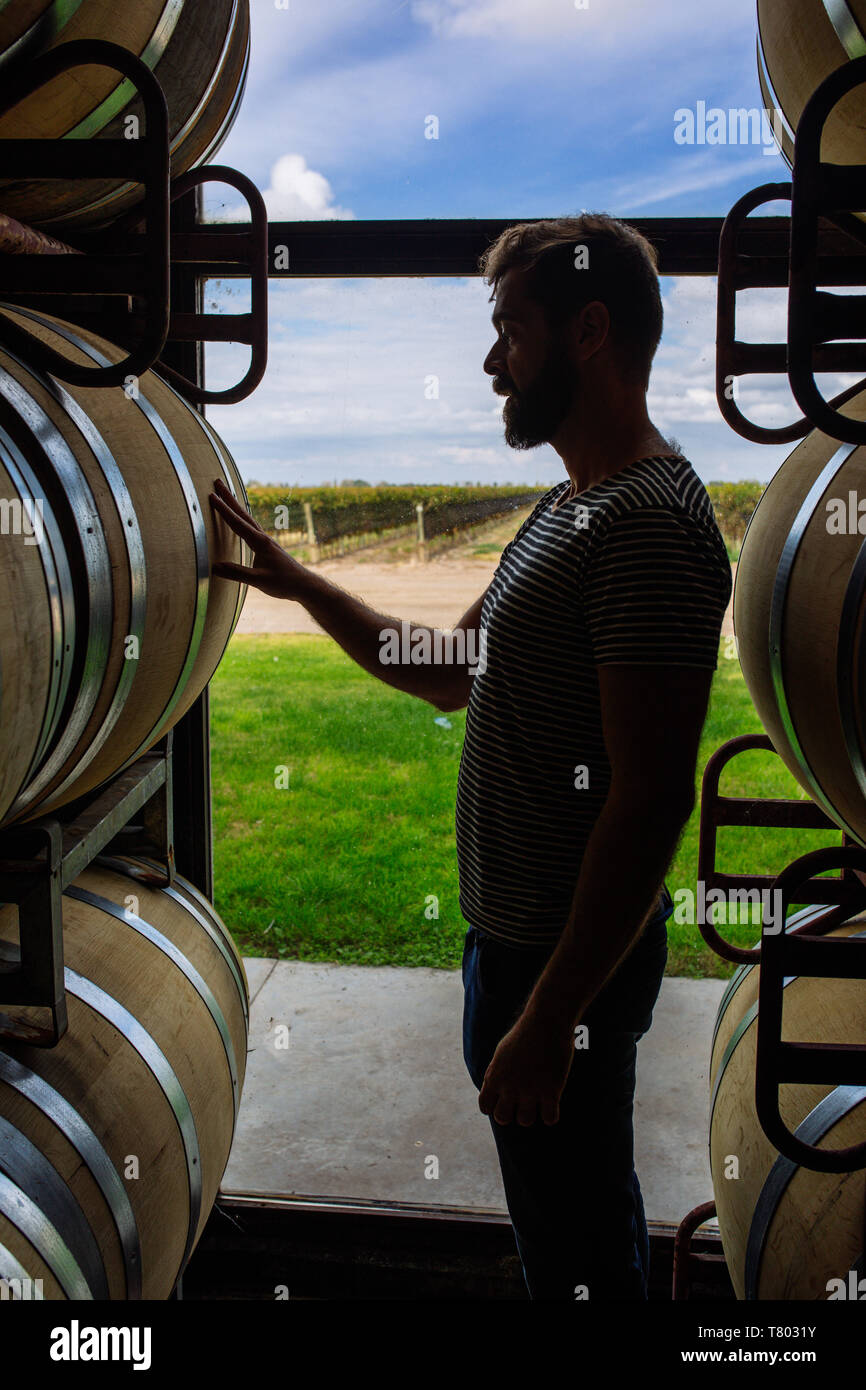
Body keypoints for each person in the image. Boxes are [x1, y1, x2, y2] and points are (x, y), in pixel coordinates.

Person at [208, 212, 732, 1302]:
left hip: (558, 971)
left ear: (587, 331)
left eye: (510, 331)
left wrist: (550, 1018)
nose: (492, 364)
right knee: (576, 1226)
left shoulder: (644, 522)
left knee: (575, 1257)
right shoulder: (567, 508)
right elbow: (449, 666)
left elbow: (645, 800)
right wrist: (300, 582)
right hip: (517, 953)